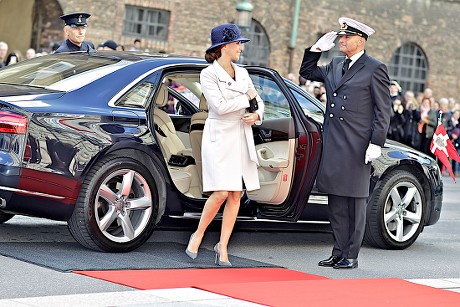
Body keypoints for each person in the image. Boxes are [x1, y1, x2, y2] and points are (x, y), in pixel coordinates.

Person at [299, 17, 391, 269]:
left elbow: (384, 110)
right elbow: (306, 73)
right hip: (334, 141)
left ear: (360, 41)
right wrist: (315, 50)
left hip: (357, 145)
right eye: (340, 37)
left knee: (355, 202)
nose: (341, 40)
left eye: (346, 37)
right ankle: (337, 251)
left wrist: (376, 142)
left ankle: (351, 255)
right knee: (336, 202)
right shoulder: (336, 63)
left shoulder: (375, 68)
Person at [185, 23, 264, 266]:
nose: (241, 47)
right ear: (225, 46)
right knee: (220, 192)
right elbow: (218, 106)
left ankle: (223, 246)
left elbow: (258, 102)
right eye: (238, 42)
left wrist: (256, 115)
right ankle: (198, 235)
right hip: (219, 135)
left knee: (235, 194)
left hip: (240, 134)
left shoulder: (242, 72)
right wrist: (246, 98)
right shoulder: (208, 73)